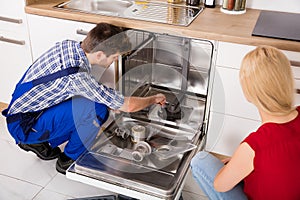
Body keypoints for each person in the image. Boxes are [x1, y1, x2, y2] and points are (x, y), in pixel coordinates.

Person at [2, 23, 166, 174]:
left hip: (22, 113)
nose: (115, 61)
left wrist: (108, 99)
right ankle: (68, 160)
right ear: (100, 54)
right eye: (115, 57)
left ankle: (36, 141)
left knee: (93, 103)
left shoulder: (68, 46)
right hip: (24, 124)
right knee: (98, 110)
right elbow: (127, 106)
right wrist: (154, 98)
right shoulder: (77, 77)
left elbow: (77, 89)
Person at [190, 46, 300, 199]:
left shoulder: (254, 146)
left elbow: (220, 185)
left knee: (199, 161)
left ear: (249, 92)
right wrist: (242, 162)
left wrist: (240, 159)